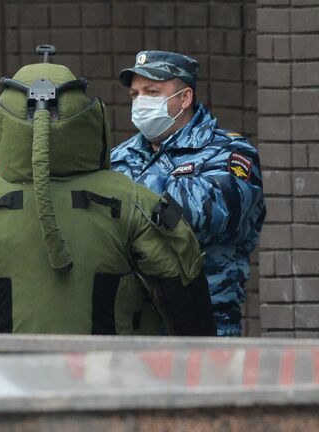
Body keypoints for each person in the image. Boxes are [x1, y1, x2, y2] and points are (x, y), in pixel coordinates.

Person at [0, 46, 216, 336]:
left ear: (0, 120)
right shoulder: (134, 200)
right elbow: (186, 301)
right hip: (107, 381)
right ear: (89, 118)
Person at [111, 50, 266, 337]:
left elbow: (208, 214)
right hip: (134, 325)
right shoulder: (119, 156)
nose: (140, 101)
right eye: (135, 94)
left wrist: (123, 197)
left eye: (152, 92)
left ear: (184, 98)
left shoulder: (229, 152)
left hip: (206, 322)